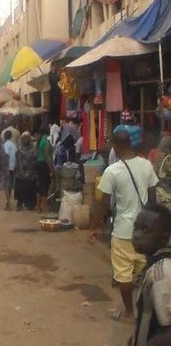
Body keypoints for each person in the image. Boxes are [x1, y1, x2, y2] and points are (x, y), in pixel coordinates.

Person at [91, 130, 159, 321]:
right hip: (144, 231)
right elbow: (153, 197)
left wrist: (94, 227)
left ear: (116, 146)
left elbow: (102, 204)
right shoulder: (146, 165)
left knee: (123, 275)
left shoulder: (112, 171)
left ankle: (129, 312)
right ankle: (149, 311)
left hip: (122, 232)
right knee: (145, 271)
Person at [130, 204, 171, 346]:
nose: (136, 234)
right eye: (136, 227)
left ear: (164, 238)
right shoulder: (151, 266)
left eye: (145, 230)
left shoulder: (161, 272)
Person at [15, 131, 37, 211]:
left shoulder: (20, 149)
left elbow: (18, 162)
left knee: (22, 189)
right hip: (28, 174)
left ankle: (22, 204)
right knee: (27, 189)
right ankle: (26, 204)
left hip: (23, 174)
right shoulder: (32, 150)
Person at [35, 126, 54, 213]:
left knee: (39, 186)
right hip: (44, 164)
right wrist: (51, 169)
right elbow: (47, 156)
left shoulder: (39, 141)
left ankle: (39, 207)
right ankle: (45, 207)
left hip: (38, 163)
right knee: (44, 186)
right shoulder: (45, 141)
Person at [3, 130, 17, 210]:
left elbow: (6, 156)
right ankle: (7, 201)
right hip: (13, 167)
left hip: (8, 167)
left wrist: (5, 168)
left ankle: (8, 203)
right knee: (10, 185)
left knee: (7, 185)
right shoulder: (13, 145)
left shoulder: (6, 145)